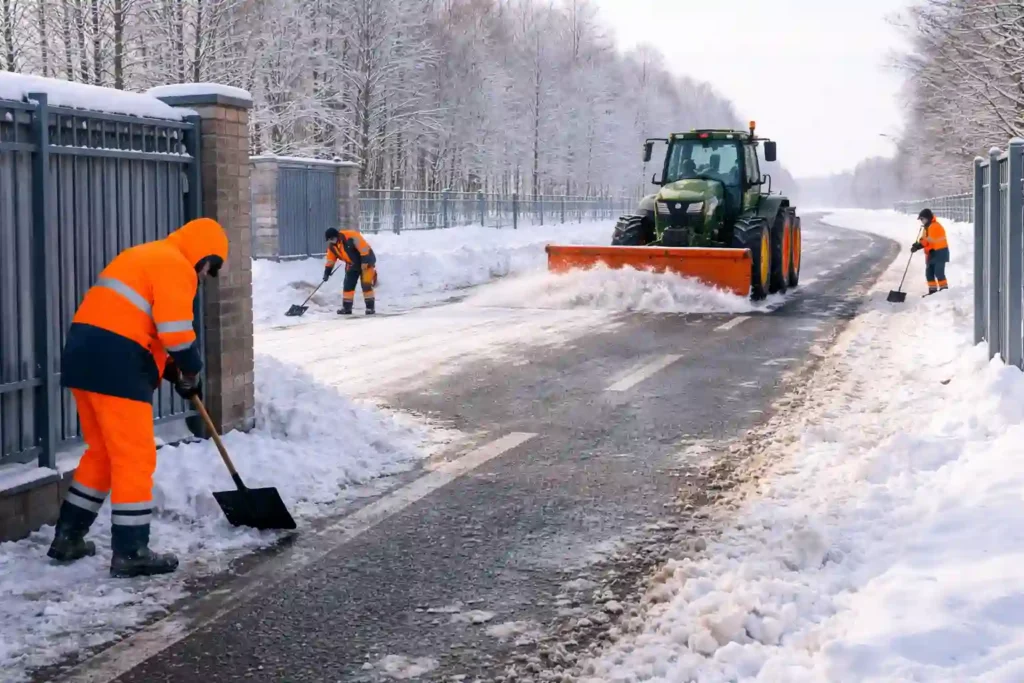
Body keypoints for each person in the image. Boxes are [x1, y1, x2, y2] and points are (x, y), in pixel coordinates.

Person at [46, 217, 229, 578]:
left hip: (84, 355)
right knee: (135, 457)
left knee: (102, 452)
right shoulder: (177, 266)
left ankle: (68, 537)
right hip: (118, 364)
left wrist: (173, 372)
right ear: (203, 256)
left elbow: (134, 322)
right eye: (210, 269)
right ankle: (131, 551)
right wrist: (191, 369)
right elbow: (175, 331)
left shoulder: (146, 255)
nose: (205, 277)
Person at [323, 227, 377, 315]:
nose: (331, 241)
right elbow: (330, 260)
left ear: (337, 236)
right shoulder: (332, 247)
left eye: (332, 239)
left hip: (366, 260)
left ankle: (370, 308)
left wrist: (365, 262)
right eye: (329, 240)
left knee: (366, 284)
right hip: (352, 264)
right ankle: (346, 308)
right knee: (348, 285)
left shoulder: (351, 236)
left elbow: (363, 249)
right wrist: (327, 272)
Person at [910, 208, 950, 295]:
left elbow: (929, 241)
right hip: (931, 253)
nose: (921, 221)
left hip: (940, 252)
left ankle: (944, 290)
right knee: (929, 273)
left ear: (927, 218)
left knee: (938, 272)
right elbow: (924, 239)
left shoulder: (935, 226)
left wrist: (919, 246)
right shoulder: (927, 227)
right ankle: (933, 290)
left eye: (922, 219)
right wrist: (917, 245)